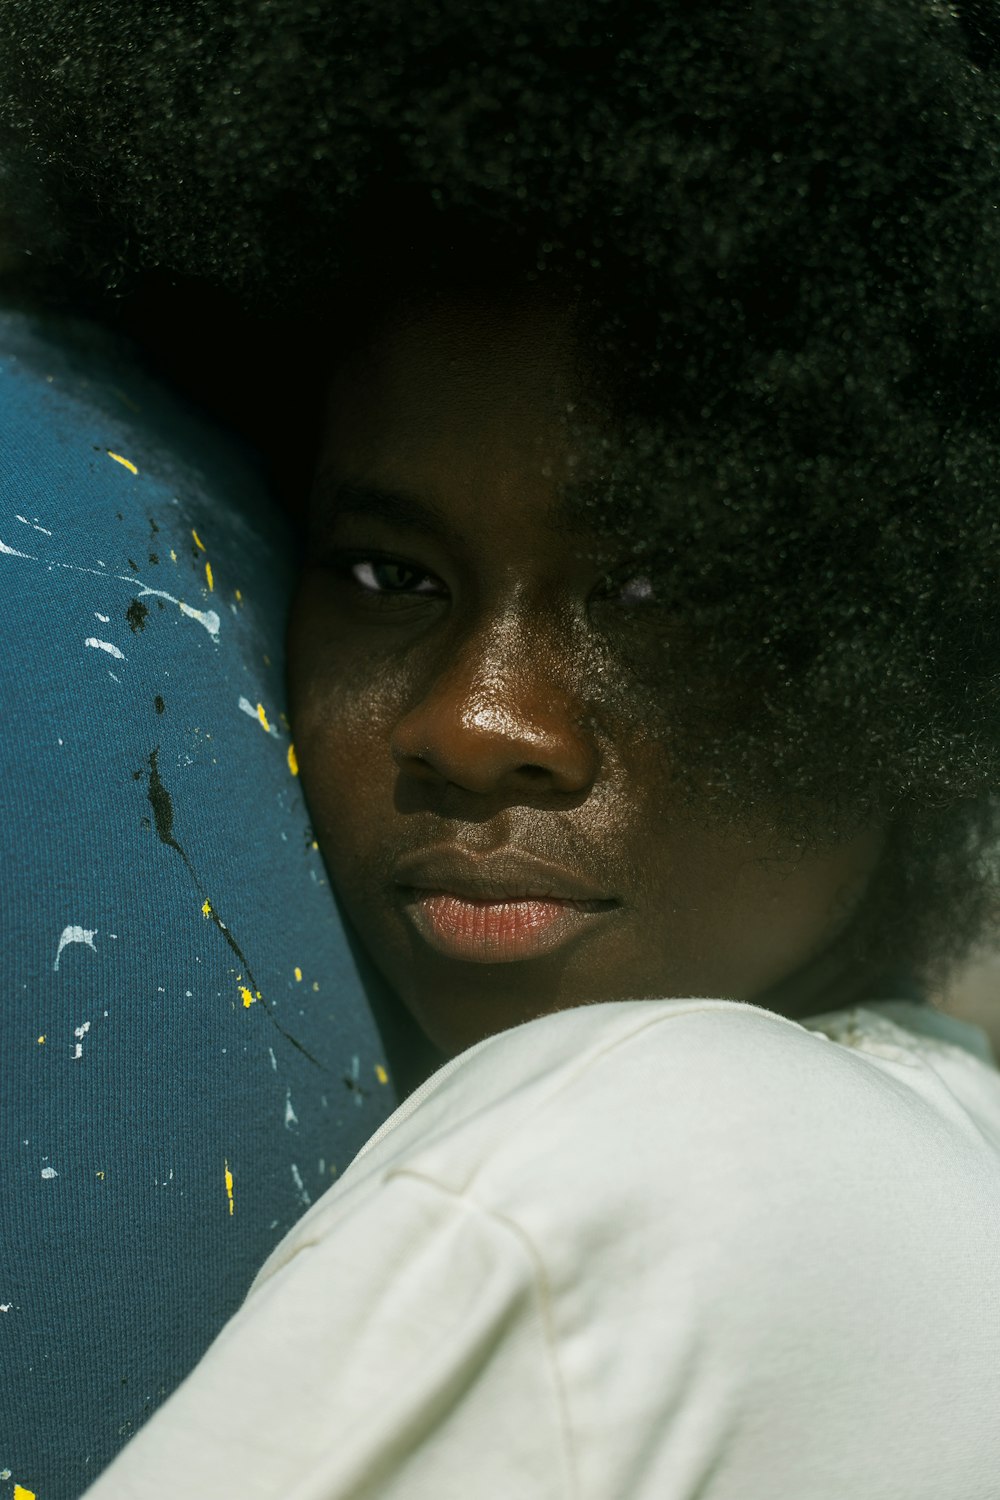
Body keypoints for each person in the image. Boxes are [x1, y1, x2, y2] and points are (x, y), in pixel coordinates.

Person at [2, 0, 1000, 1495]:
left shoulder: (600, 1181)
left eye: (655, 597)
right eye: (388, 575)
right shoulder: (940, 1143)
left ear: (908, 624)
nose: (476, 724)